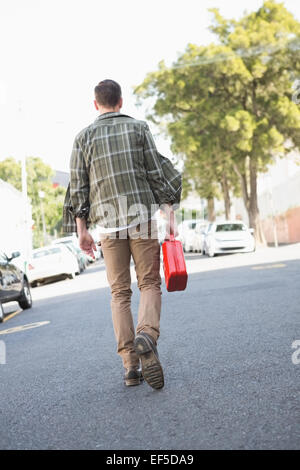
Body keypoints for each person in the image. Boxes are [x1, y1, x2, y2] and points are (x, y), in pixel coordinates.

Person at [63, 79, 181, 390]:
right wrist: (168, 213)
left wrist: (82, 230)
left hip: (107, 226)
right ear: (121, 101)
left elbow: (79, 188)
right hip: (141, 218)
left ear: (95, 104)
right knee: (150, 282)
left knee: (119, 294)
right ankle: (147, 334)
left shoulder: (83, 138)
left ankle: (130, 366)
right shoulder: (139, 128)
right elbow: (155, 172)